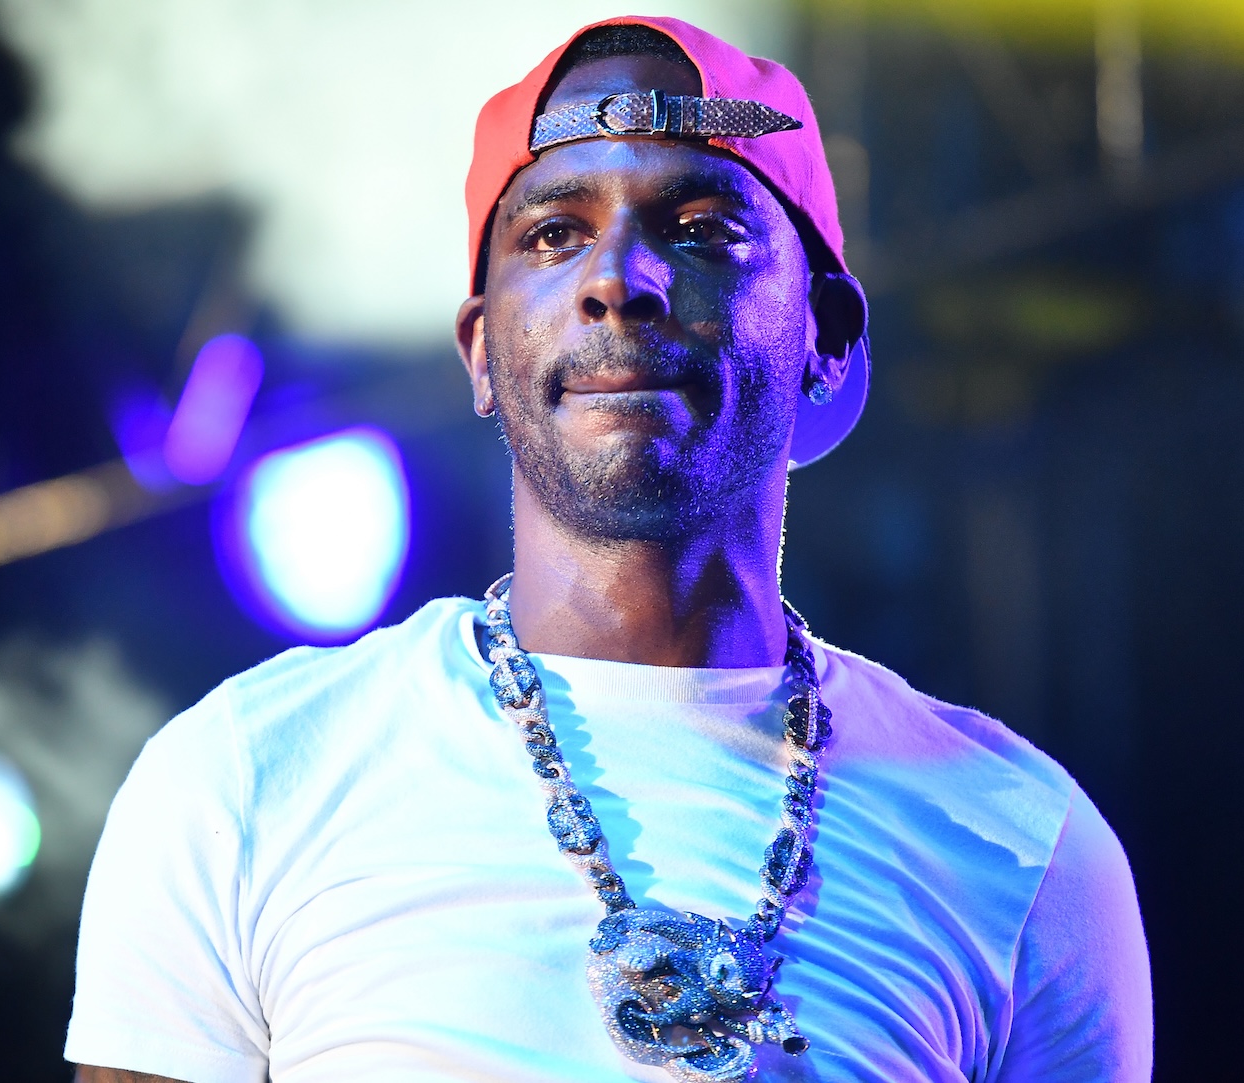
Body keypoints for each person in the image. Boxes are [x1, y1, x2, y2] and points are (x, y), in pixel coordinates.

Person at [65, 15, 1151, 1083]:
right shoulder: (246, 782)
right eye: (553, 233)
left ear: (824, 333)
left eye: (702, 228)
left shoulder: (1026, 854)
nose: (618, 278)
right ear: (481, 349)